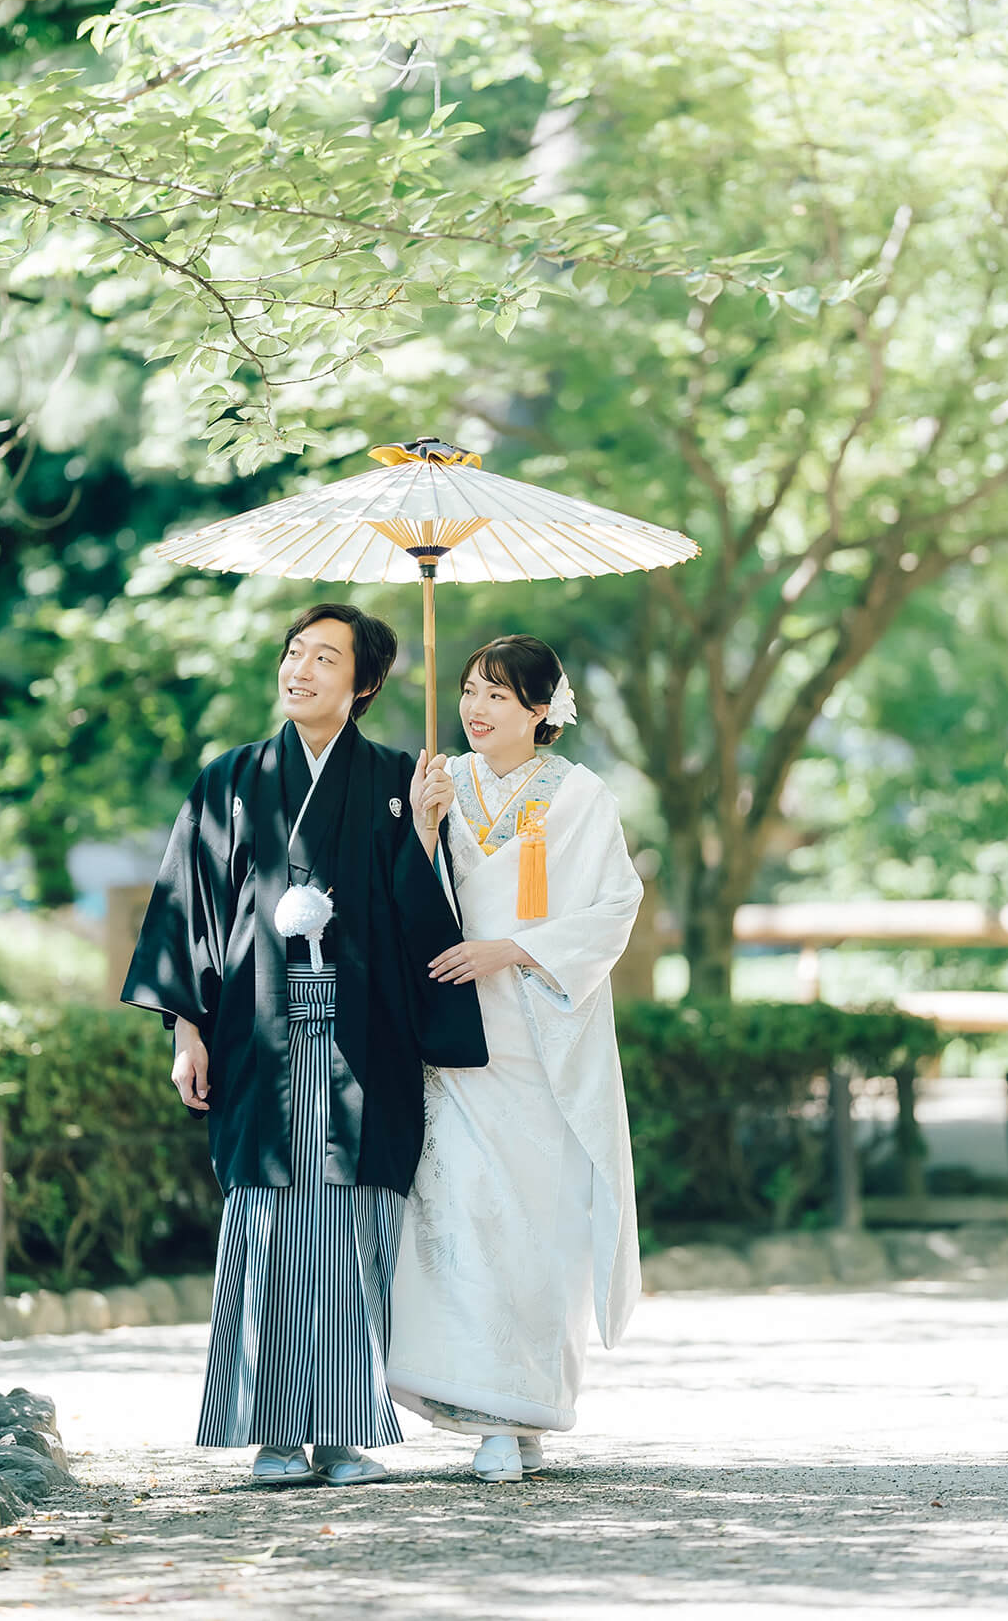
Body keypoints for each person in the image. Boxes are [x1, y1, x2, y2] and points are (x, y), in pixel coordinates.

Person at [122, 602, 485, 1487]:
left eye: (327, 658)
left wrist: (427, 834)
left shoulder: (400, 779)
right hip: (258, 1037)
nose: (301, 669)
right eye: (294, 653)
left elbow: (424, 922)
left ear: (364, 685)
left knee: (355, 1221)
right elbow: (188, 910)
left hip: (364, 1038)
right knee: (271, 1221)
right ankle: (274, 1431)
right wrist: (186, 1028)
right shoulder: (230, 778)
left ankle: (345, 1430)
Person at [387, 633, 644, 1483]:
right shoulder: (440, 783)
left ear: (542, 709)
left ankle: (525, 1403)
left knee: (536, 1226)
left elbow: (615, 906)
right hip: (458, 1035)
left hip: (540, 1036)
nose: (476, 708)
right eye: (469, 690)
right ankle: (486, 1413)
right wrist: (421, 833)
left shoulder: (582, 797)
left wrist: (516, 951)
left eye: (498, 694)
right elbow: (407, 901)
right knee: (462, 1213)